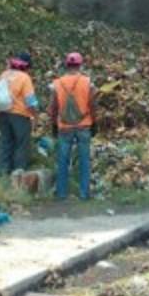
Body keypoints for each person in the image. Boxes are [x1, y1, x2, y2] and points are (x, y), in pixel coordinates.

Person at [49, 52, 97, 200]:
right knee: (84, 160)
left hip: (64, 127)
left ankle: (62, 193)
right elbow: (93, 105)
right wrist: (94, 121)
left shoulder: (57, 84)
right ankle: (84, 194)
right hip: (84, 126)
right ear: (80, 65)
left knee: (63, 160)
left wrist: (53, 123)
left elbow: (52, 108)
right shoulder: (87, 82)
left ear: (66, 65)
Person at [0, 52, 39, 175]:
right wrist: (35, 115)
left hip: (3, 113)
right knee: (21, 143)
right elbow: (30, 100)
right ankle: (18, 172)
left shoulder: (4, 74)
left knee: (6, 141)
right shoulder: (24, 78)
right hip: (19, 115)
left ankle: (1, 171)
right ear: (27, 66)